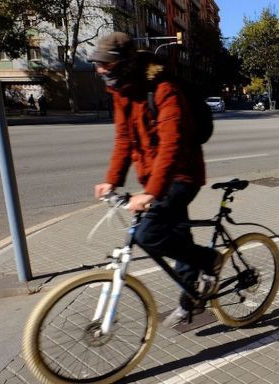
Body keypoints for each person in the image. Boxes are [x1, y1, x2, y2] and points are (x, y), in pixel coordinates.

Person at [89, 32, 222, 327]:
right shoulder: (121, 90)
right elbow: (124, 138)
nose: (99, 70)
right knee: (179, 237)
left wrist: (150, 192)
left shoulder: (163, 88)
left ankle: (210, 260)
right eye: (97, 64)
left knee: (148, 235)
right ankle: (190, 302)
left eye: (104, 64)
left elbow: (171, 145)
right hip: (156, 177)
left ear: (122, 64)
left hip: (182, 174)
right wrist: (112, 180)